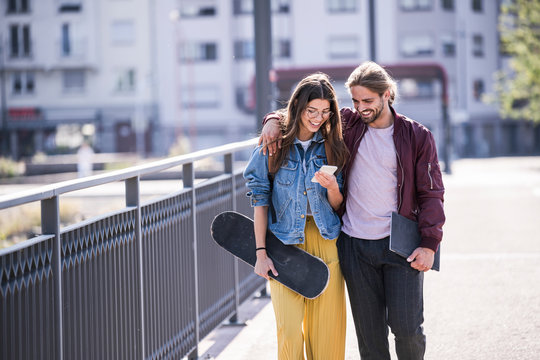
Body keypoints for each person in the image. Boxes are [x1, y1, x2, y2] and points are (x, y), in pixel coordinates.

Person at [260, 61, 445, 360]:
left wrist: (429, 244)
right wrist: (271, 120)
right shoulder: (350, 124)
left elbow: (432, 193)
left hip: (401, 247)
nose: (361, 108)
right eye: (356, 101)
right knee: (370, 339)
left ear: (387, 94)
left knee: (407, 329)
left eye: (368, 101)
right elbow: (305, 112)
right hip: (355, 246)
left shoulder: (416, 136)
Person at [243, 73, 349, 360]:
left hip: (326, 240)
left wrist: (333, 189)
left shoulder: (331, 145)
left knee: (326, 336)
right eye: (311, 110)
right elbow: (260, 200)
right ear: (298, 107)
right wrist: (261, 253)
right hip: (283, 245)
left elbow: (338, 205)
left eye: (325, 112)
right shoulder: (274, 145)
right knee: (288, 332)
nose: (318, 118)